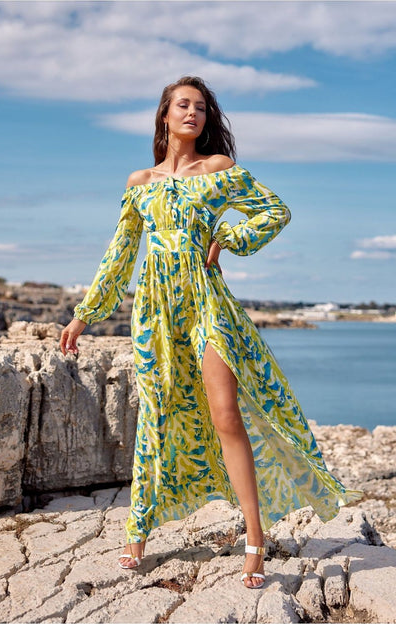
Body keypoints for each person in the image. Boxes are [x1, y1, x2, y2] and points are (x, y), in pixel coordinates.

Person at [60, 76, 361, 589]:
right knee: (156, 416)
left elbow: (275, 210)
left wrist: (228, 237)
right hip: (156, 313)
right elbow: (120, 256)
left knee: (226, 414)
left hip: (207, 304)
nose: (193, 114)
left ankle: (254, 536)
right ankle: (139, 531)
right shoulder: (140, 183)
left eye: (201, 108)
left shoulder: (218, 170)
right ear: (164, 115)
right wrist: (84, 314)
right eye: (183, 105)